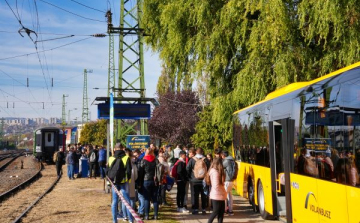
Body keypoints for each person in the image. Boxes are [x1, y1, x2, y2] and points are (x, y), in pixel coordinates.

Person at [109, 143, 133, 223]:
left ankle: (114, 220)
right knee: (127, 201)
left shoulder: (111, 158)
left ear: (115, 149)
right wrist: (128, 180)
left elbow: (108, 171)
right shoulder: (126, 158)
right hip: (124, 182)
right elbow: (129, 171)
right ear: (123, 149)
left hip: (114, 182)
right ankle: (130, 219)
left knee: (114, 201)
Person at [186, 147, 210, 215]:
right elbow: (209, 168)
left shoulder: (192, 160)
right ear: (202, 152)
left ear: (196, 152)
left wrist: (190, 177)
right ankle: (203, 209)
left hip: (194, 180)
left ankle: (195, 209)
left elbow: (187, 168)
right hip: (204, 180)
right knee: (204, 195)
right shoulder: (205, 159)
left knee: (194, 195)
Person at [139, 148, 159, 220]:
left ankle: (146, 215)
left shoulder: (143, 160)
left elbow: (140, 172)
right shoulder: (156, 160)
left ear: (146, 153)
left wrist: (139, 182)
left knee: (146, 199)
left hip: (146, 180)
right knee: (155, 199)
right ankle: (156, 215)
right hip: (155, 181)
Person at [207, 158, 227, 223]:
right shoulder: (215, 172)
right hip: (217, 195)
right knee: (216, 211)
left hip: (219, 194)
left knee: (221, 212)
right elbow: (216, 185)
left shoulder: (215, 171)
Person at [221, 151, 235, 215]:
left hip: (227, 180)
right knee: (230, 196)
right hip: (231, 180)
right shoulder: (232, 160)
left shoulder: (226, 161)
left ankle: (224, 210)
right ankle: (230, 210)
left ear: (223, 155)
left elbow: (221, 167)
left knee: (224, 196)